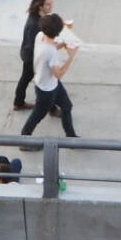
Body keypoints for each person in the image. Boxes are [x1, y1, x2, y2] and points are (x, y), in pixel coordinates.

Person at [20, 12, 80, 147]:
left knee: (67, 106)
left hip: (48, 83)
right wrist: (71, 56)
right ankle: (24, 141)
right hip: (46, 90)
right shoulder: (50, 52)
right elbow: (59, 74)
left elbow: (49, 46)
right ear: (57, 32)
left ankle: (71, 137)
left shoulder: (40, 36)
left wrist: (61, 44)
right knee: (36, 116)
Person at [14, 0, 53, 110]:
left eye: (51, 4)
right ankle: (51, 107)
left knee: (26, 78)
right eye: (48, 5)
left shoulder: (38, 17)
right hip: (32, 57)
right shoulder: (35, 24)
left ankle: (19, 102)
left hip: (31, 55)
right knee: (47, 80)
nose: (51, 7)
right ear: (40, 6)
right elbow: (33, 44)